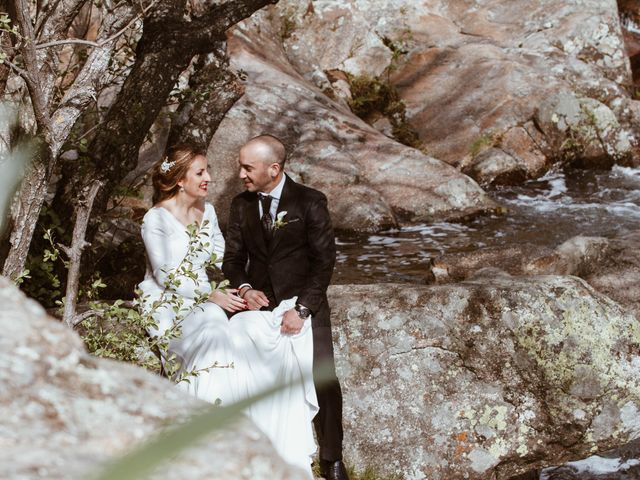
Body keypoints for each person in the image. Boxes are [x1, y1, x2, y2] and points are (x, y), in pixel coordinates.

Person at [137, 144, 318, 478]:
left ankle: (252, 440)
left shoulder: (205, 211)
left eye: (207, 171)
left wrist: (243, 287)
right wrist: (212, 294)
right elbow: (167, 276)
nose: (209, 178)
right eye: (201, 172)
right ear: (179, 180)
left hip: (208, 299)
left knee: (248, 333)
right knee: (213, 334)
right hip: (169, 303)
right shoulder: (155, 219)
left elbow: (223, 256)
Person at [223, 134, 350, 480]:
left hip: (306, 303)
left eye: (247, 168)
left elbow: (324, 262)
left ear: (273, 168)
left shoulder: (310, 202)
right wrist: (246, 289)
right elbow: (232, 261)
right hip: (261, 308)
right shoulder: (240, 205)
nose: (241, 175)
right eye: (241, 167)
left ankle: (332, 458)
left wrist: (304, 309)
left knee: (324, 375)